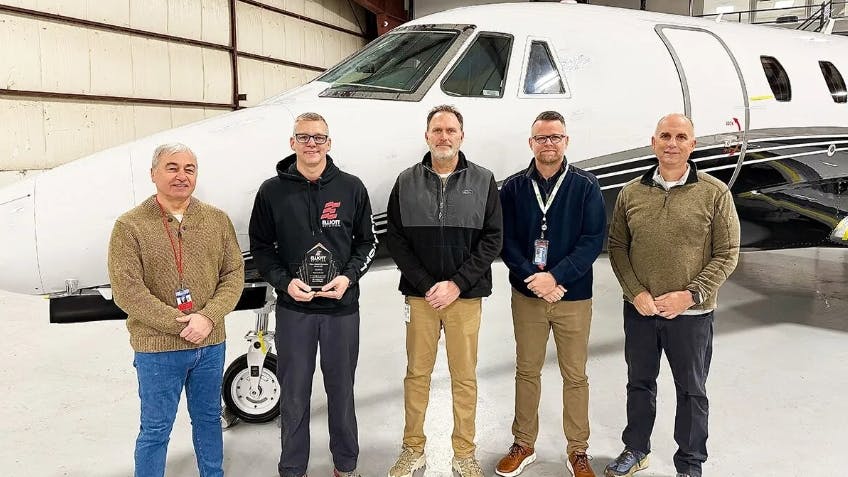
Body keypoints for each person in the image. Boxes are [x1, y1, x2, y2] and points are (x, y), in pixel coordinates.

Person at [605, 113, 740, 477]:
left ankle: (690, 464)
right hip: (641, 311)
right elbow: (617, 247)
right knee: (639, 383)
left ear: (692, 145)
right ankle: (636, 449)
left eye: (681, 137)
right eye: (665, 136)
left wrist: (691, 295)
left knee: (692, 390)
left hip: (691, 316)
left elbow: (727, 253)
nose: (672, 143)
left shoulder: (715, 193)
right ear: (653, 143)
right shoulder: (631, 192)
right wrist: (635, 293)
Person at [249, 112, 377, 477]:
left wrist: (348, 278)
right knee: (293, 394)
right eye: (304, 137)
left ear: (329, 143)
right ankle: (292, 468)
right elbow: (261, 248)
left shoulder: (352, 188)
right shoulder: (271, 191)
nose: (311, 144)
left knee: (342, 391)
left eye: (319, 137)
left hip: (341, 309)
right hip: (295, 310)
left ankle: (346, 465)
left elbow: (367, 242)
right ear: (292, 143)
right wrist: (284, 282)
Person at [108, 143, 245, 477]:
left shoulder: (217, 220)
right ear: (153, 173)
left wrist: (207, 317)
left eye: (189, 169)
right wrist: (181, 323)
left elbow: (233, 275)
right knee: (156, 429)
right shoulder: (130, 226)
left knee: (209, 419)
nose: (181, 176)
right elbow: (127, 291)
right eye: (172, 167)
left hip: (210, 345)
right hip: (158, 350)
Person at [385, 104, 503, 477]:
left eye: (451, 130)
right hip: (420, 298)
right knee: (416, 375)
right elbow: (396, 239)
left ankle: (464, 454)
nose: (444, 136)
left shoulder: (483, 180)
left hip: (464, 298)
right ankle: (413, 450)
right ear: (427, 136)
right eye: (437, 130)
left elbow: (492, 239)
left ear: (461, 136)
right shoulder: (406, 181)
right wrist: (425, 285)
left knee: (464, 377)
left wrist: (457, 284)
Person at [495, 111, 605, 477]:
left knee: (575, 375)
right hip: (528, 296)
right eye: (542, 138)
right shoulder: (513, 188)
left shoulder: (586, 185)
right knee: (527, 370)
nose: (549, 143)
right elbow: (506, 241)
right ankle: (523, 443)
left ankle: (578, 451)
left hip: (573, 296)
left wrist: (556, 277)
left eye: (555, 137)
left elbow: (593, 240)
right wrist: (534, 278)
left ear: (566, 141)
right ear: (531, 143)